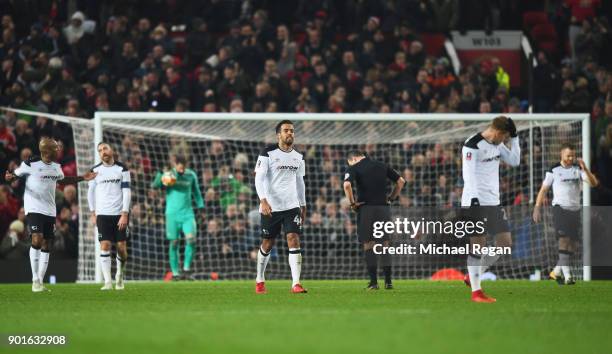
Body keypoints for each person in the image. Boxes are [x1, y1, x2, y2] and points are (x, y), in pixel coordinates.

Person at [5, 137, 96, 292]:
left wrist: (82, 178)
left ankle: (40, 280)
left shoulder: (56, 167)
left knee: (47, 244)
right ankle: (34, 280)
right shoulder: (31, 164)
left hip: (50, 210)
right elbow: (15, 175)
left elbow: (63, 180)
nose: (58, 151)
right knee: (37, 239)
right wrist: (10, 177)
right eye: (55, 148)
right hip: (34, 208)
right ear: (47, 151)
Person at [461, 116, 520, 303]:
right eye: (506, 137)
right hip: (474, 202)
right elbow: (468, 175)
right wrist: (475, 200)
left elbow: (515, 161)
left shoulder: (497, 145)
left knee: (505, 243)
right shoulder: (472, 145)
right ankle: (477, 293)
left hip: (494, 203)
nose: (505, 141)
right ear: (498, 132)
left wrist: (516, 137)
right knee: (478, 245)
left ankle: (473, 275)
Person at [533, 143, 598, 284]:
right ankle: (568, 276)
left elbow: (594, 183)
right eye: (568, 155)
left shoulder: (578, 169)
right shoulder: (554, 170)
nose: (571, 158)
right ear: (561, 154)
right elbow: (543, 190)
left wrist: (585, 168)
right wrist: (537, 207)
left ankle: (556, 272)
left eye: (573, 155)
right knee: (564, 239)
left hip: (574, 210)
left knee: (573, 245)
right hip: (560, 208)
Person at [254, 120, 307, 294]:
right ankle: (260, 279)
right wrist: (263, 200)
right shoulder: (267, 153)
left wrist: (303, 204)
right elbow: (259, 178)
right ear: (278, 134)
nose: (290, 133)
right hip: (271, 207)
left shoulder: (299, 157)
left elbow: (300, 182)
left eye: (292, 130)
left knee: (293, 238)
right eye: (286, 131)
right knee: (268, 244)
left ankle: (296, 283)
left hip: (291, 206)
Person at [343, 150, 405, 290]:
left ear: (352, 159)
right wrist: (391, 198)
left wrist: (352, 204)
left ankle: (374, 283)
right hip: (383, 209)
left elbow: (347, 185)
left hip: (366, 209)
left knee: (369, 244)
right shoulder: (382, 165)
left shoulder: (354, 167)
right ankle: (388, 282)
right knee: (384, 244)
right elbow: (401, 182)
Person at [152, 155, 204, 280]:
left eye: (183, 168)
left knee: (191, 239)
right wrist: (160, 174)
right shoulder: (170, 175)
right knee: (174, 242)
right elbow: (155, 185)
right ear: (175, 165)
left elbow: (196, 192)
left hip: (187, 213)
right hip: (172, 214)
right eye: (179, 168)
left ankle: (186, 269)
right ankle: (175, 273)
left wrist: (201, 207)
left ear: (185, 166)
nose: (181, 171)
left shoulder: (191, 175)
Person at [88, 142, 131, 290]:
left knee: (121, 248)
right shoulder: (94, 170)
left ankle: (120, 274)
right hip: (103, 215)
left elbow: (126, 192)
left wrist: (124, 214)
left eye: (105, 148)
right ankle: (107, 281)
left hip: (120, 214)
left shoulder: (122, 169)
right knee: (105, 245)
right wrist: (93, 213)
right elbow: (90, 193)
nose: (103, 152)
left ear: (111, 150)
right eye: (100, 150)